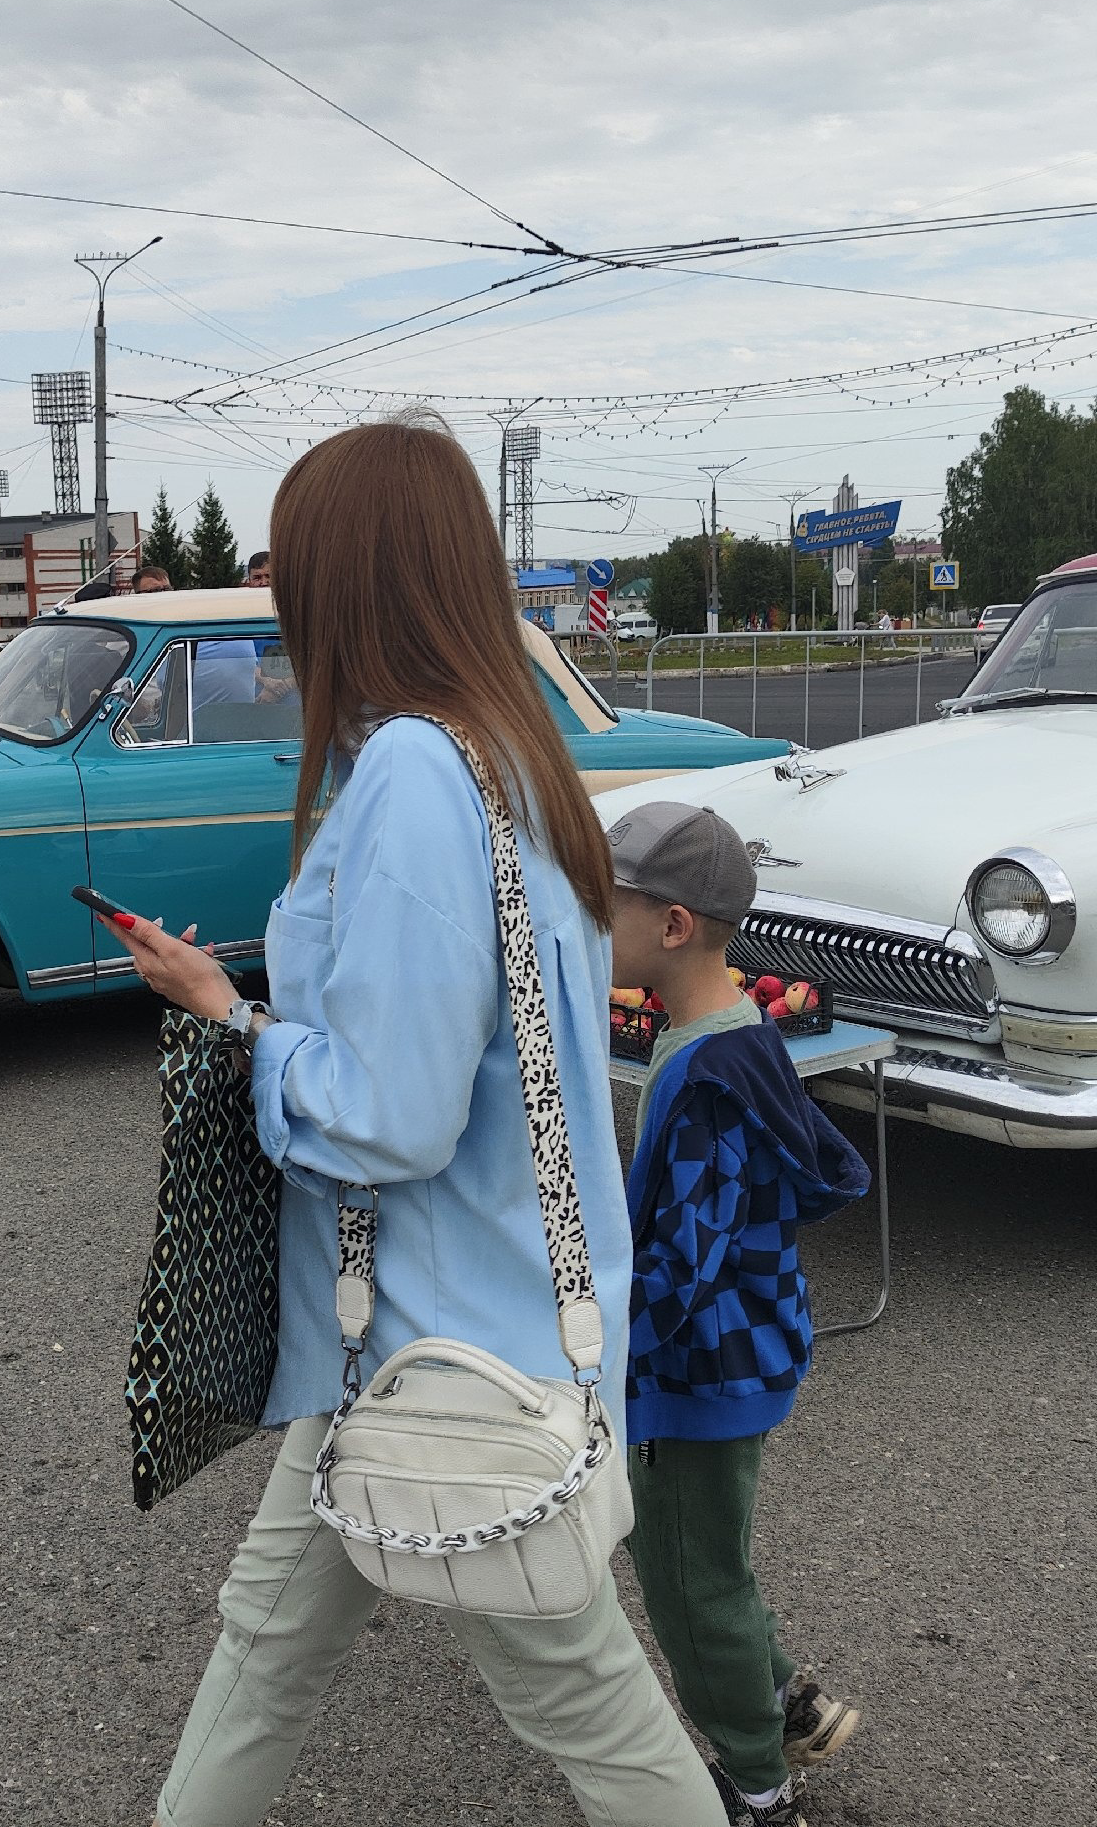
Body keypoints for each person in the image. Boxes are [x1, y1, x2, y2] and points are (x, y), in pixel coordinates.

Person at [115, 414, 726, 1827]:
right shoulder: (514, 754)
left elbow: (391, 1115)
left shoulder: (408, 771)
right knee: (266, 1638)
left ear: (352, 580)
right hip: (420, 1330)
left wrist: (239, 1031)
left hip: (445, 1348)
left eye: (295, 566)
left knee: (585, 1703)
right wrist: (234, 998)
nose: (280, 598)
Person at [607, 799, 871, 1826]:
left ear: (671, 926)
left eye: (609, 905)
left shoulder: (706, 1075)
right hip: (739, 1353)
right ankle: (784, 1696)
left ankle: (756, 1785)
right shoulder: (733, 1033)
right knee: (708, 1554)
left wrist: (614, 1360)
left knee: (686, 1581)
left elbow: (687, 1258)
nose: (593, 920)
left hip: (695, 1374)